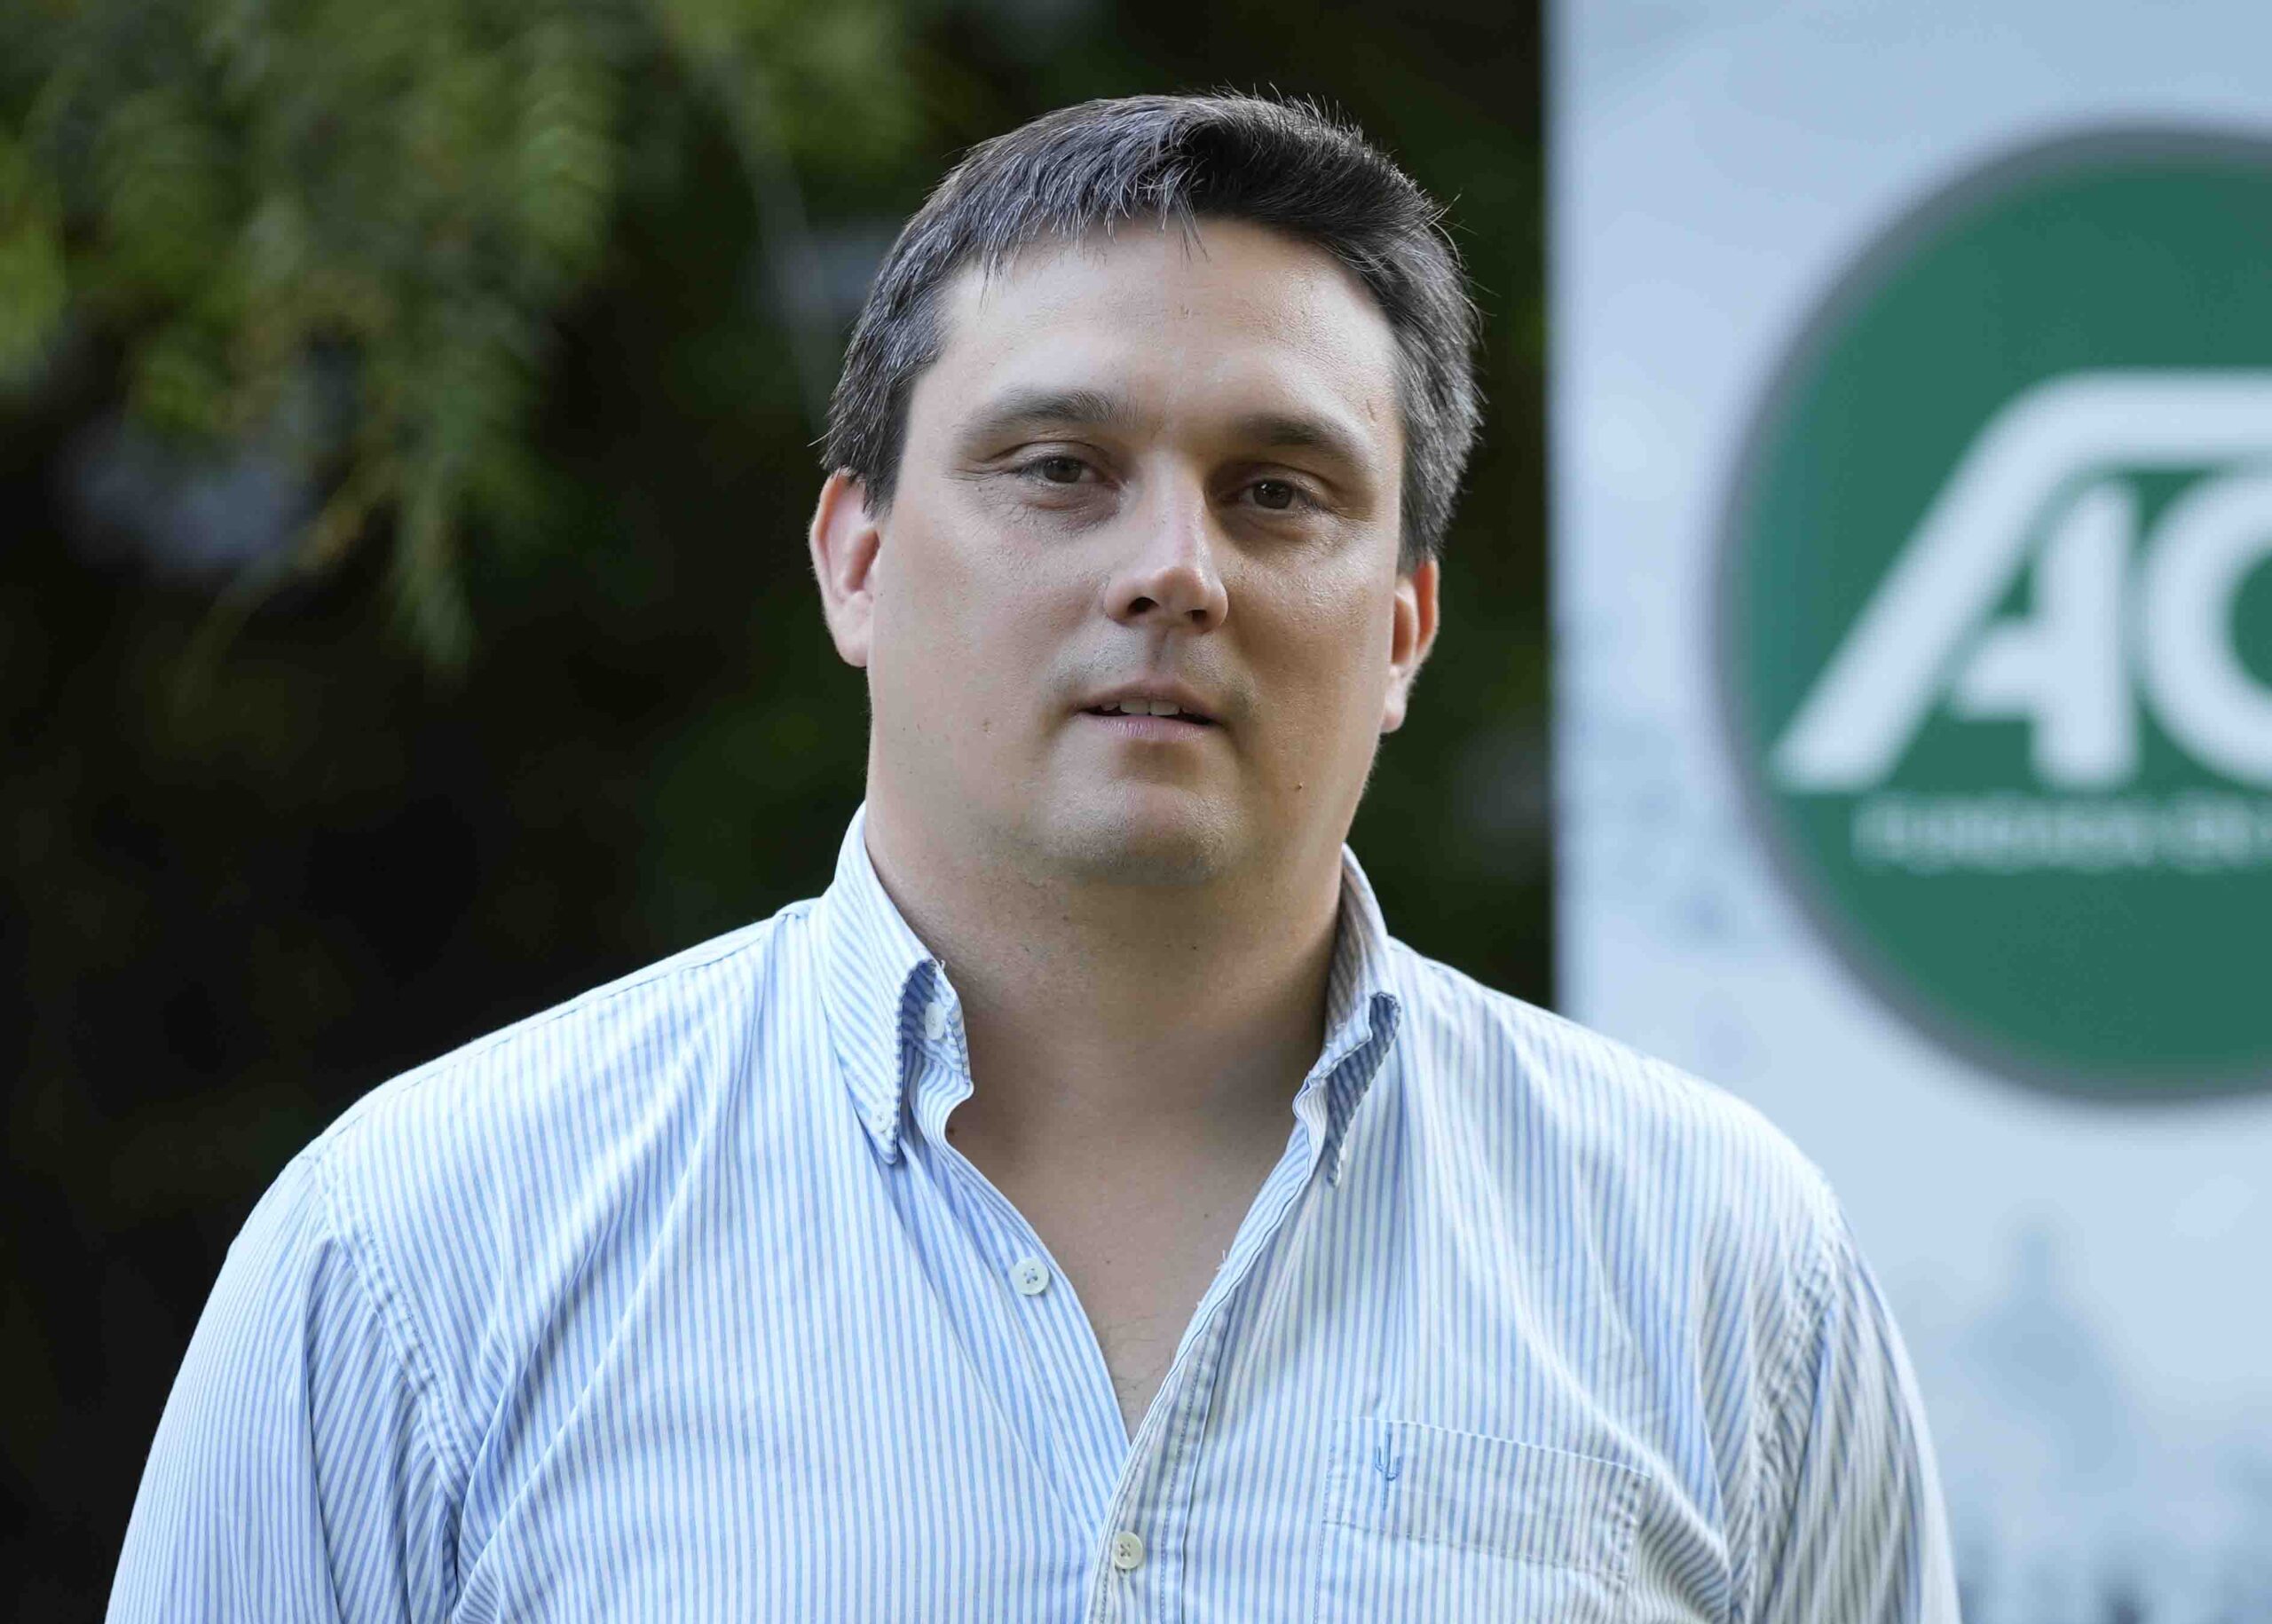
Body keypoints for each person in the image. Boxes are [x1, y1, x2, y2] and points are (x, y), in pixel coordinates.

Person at [108, 92, 1957, 1622]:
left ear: (1402, 628)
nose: (1174, 569)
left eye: (1277, 491)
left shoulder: (1718, 1271)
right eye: (1059, 467)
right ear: (855, 560)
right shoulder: (423, 1253)